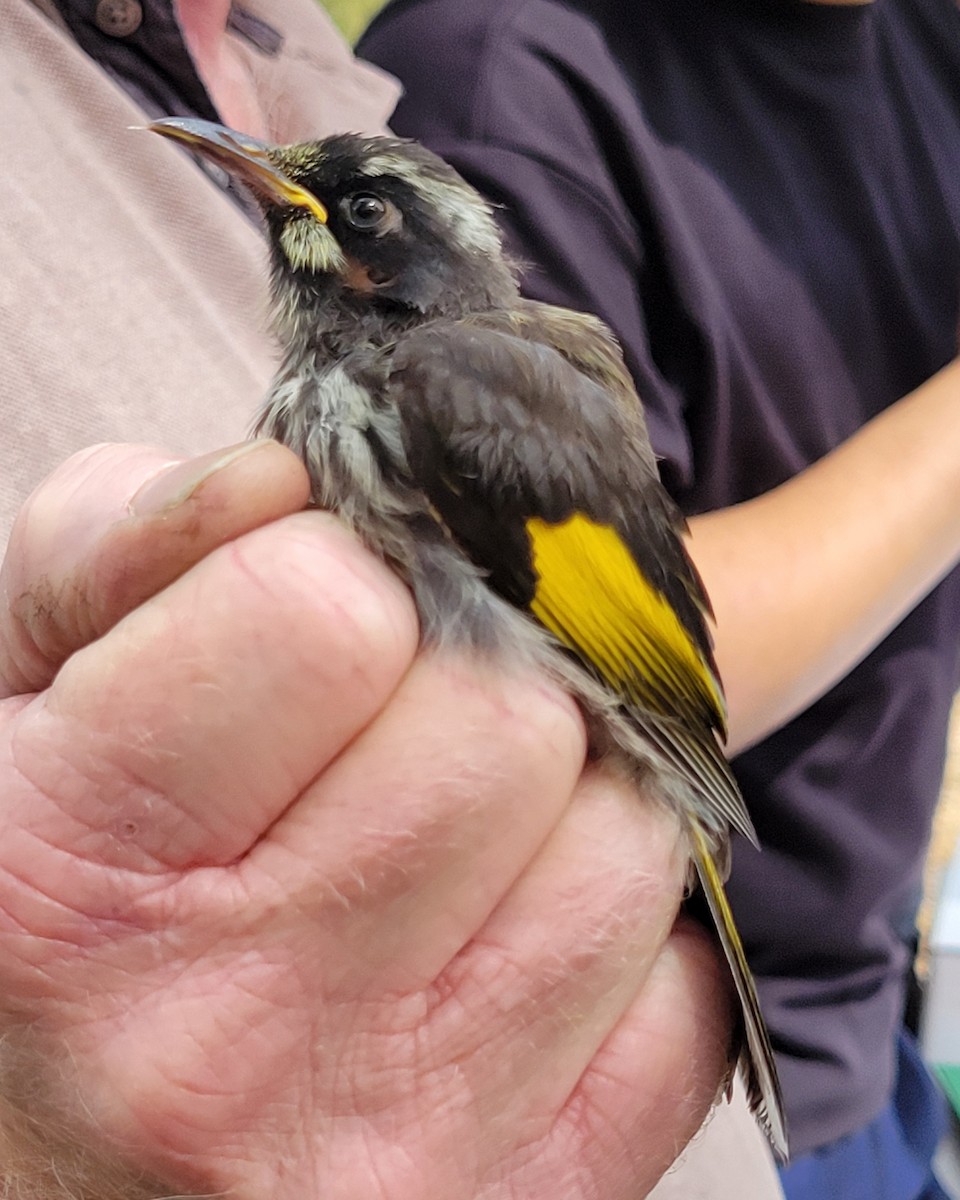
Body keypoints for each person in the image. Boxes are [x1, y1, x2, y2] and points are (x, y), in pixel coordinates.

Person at [0, 2, 782, 1197]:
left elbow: (625, 634)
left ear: (406, 257)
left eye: (358, 210)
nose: (295, 200)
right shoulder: (404, 373)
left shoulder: (441, 375)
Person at [357, 0, 960, 1196]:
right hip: (651, 1080)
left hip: (858, 1018)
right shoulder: (501, 84)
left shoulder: (922, 41)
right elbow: (561, 671)